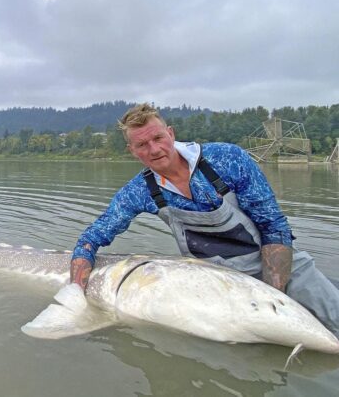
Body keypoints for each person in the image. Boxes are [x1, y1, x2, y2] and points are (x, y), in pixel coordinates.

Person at [70, 103, 339, 337]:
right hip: (214, 281)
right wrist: (74, 295)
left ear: (171, 134)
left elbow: (273, 226)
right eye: (142, 144)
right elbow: (90, 240)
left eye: (158, 138)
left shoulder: (226, 159)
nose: (154, 149)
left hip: (280, 268)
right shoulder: (139, 191)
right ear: (132, 151)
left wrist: (270, 298)